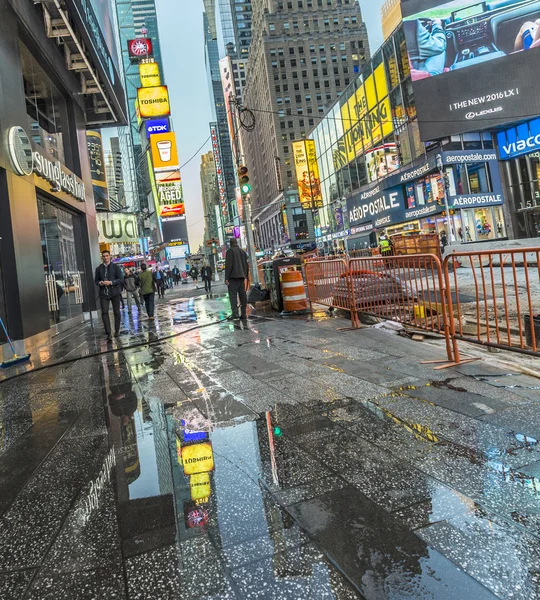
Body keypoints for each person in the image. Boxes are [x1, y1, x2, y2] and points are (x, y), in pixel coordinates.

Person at [94, 250, 124, 340]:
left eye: (107, 256)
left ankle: (117, 330)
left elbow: (121, 279)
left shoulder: (115, 267)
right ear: (102, 257)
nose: (105, 257)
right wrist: (100, 283)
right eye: (104, 256)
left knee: (117, 312)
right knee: (104, 312)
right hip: (104, 293)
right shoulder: (99, 268)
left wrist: (111, 282)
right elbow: (96, 280)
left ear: (110, 256)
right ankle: (108, 333)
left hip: (115, 292)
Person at [225, 238, 249, 320]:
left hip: (233, 278)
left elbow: (228, 266)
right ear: (237, 243)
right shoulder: (242, 252)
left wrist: (226, 278)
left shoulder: (230, 251)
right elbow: (246, 265)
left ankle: (235, 314)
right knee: (242, 296)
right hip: (242, 278)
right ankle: (244, 314)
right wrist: (246, 276)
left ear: (230, 244)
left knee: (233, 297)